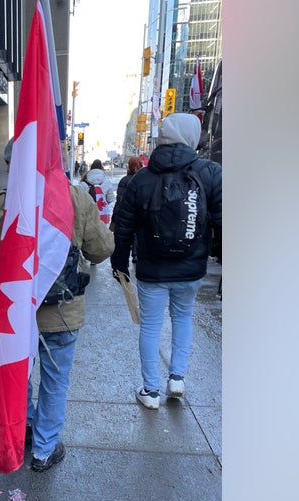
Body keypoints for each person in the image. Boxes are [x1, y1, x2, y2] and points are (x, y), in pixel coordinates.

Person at [0, 139, 115, 472]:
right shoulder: (76, 197)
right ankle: (45, 449)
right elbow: (100, 250)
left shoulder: (0, 205)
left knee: (19, 376)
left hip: (14, 314)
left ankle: (25, 429)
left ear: (12, 165)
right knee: (55, 381)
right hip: (62, 313)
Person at [109, 113, 221, 408]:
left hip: (152, 269)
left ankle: (150, 391)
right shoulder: (210, 172)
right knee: (183, 317)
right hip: (192, 266)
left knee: (150, 326)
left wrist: (119, 262)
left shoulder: (142, 179)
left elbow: (123, 225)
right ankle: (177, 378)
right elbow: (223, 223)